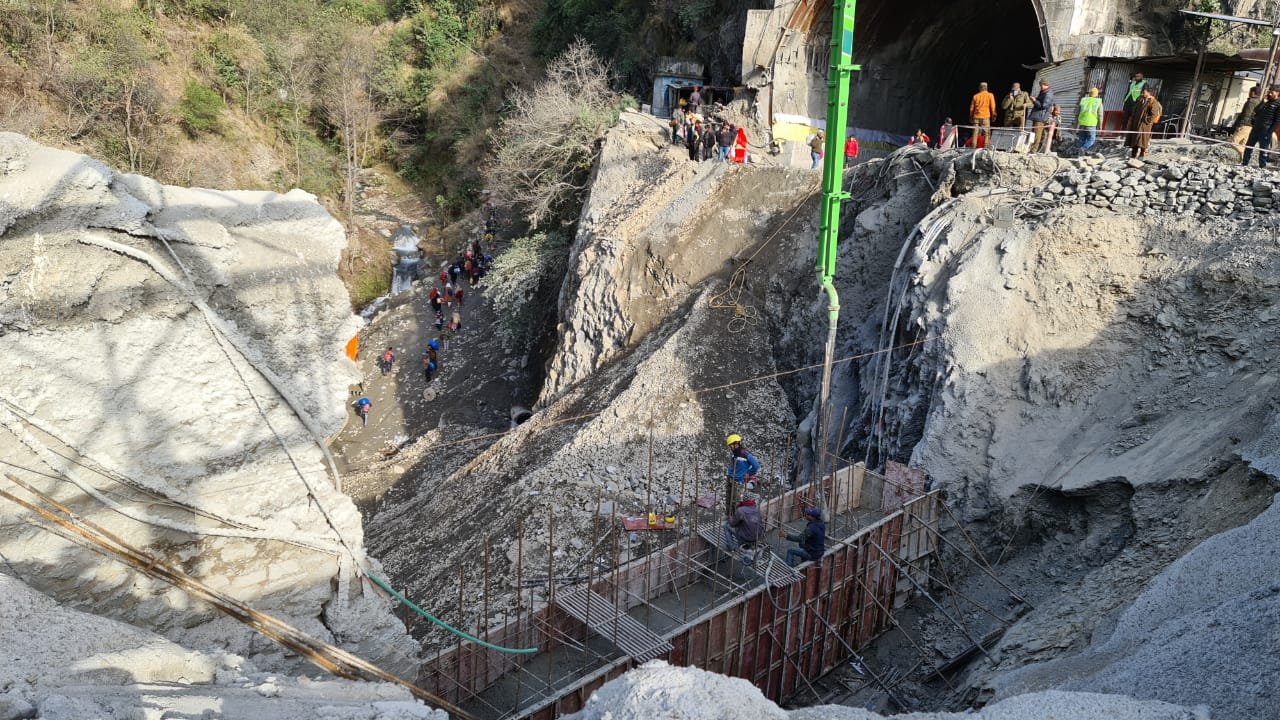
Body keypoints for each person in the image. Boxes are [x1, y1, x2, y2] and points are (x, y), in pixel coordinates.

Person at [724, 433, 761, 516]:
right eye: (730, 446)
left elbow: (756, 466)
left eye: (731, 445)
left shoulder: (745, 454)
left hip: (738, 481)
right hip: (730, 478)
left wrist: (748, 473)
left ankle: (736, 518)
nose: (730, 447)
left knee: (736, 501)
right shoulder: (734, 454)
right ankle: (729, 516)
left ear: (736, 443)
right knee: (729, 500)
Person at [1243, 88, 1280, 168]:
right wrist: (1263, 102)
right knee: (1249, 146)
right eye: (1269, 92)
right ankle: (1244, 163)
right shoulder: (1266, 101)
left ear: (1277, 93)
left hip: (1266, 130)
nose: (1269, 94)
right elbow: (1256, 110)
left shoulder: (1278, 104)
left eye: (1271, 92)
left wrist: (1270, 131)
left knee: (1263, 149)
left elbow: (1277, 120)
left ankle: (1262, 166)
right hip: (1256, 128)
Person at [1125, 87, 1162, 159]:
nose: (1142, 93)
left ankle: (1142, 154)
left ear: (1149, 93)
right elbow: (1135, 110)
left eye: (1144, 92)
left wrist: (1147, 120)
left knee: (1143, 139)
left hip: (1145, 125)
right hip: (1136, 123)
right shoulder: (1140, 100)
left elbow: (1153, 114)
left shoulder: (1153, 102)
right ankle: (1133, 154)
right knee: (1134, 138)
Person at [1231, 86, 1261, 161]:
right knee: (1243, 144)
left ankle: (1246, 154)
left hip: (1245, 125)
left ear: (1253, 92)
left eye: (1250, 91)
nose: (1248, 93)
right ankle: (1243, 161)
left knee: (1234, 143)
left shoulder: (1251, 102)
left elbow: (1247, 114)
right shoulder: (1259, 101)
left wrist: (1240, 125)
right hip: (1252, 126)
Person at [1029, 80, 1056, 152]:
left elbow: (1044, 106)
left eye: (1040, 85)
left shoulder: (1048, 94)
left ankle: (1033, 150)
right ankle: (1031, 149)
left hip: (1041, 117)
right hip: (1038, 116)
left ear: (1045, 85)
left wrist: (1035, 100)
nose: (1040, 87)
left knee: (1037, 134)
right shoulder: (1044, 92)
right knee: (1034, 134)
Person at [969, 81, 997, 147]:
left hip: (976, 117)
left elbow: (971, 108)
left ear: (979, 88)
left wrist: (971, 117)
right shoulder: (990, 95)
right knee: (986, 133)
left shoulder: (975, 96)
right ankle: (985, 147)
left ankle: (973, 146)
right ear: (986, 88)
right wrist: (994, 115)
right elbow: (993, 107)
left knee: (975, 133)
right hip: (985, 117)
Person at [1077, 87, 1103, 152]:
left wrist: (1076, 124)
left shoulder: (1083, 100)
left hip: (1082, 122)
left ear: (1089, 94)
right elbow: (1100, 115)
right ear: (1096, 94)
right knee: (1091, 139)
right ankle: (1083, 149)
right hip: (1091, 123)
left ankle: (1080, 154)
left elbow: (1077, 112)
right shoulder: (1098, 101)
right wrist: (1100, 126)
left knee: (1081, 139)